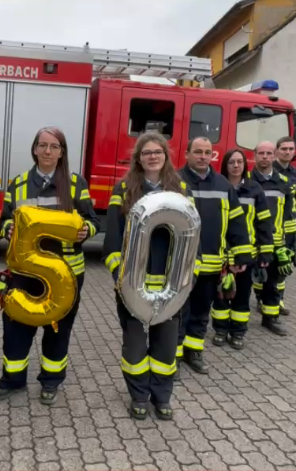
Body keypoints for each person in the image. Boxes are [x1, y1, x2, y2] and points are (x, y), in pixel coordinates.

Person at [0, 126, 100, 405]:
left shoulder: (76, 183)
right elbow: (3, 221)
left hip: (65, 275)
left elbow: (93, 221)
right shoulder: (18, 183)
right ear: (35, 149)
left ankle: (51, 381)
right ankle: (12, 380)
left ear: (62, 152)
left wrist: (86, 230)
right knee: (16, 326)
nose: (48, 151)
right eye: (42, 145)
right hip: (25, 272)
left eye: (54, 146)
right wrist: (8, 228)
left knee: (58, 329)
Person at [103, 131, 185, 420]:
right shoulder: (124, 189)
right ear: (138, 158)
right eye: (146, 152)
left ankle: (162, 397)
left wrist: (189, 276)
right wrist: (119, 276)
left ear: (165, 156)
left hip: (169, 283)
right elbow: (113, 237)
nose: (152, 157)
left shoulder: (179, 189)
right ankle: (138, 395)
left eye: (157, 152)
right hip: (133, 285)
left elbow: (192, 233)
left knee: (166, 346)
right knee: (135, 345)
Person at [177, 136, 253, 374]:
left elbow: (236, 221)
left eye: (207, 152)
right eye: (197, 151)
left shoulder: (223, 185)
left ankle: (194, 351)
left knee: (201, 313)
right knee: (177, 312)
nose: (203, 156)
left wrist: (241, 255)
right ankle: (173, 356)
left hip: (211, 266)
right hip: (181, 264)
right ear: (187, 154)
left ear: (212, 155)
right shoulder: (175, 181)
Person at [210, 149, 274, 350]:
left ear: (245, 165)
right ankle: (220, 330)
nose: (236, 166)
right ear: (225, 165)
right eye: (232, 162)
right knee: (221, 296)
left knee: (242, 297)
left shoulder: (255, 189)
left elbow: (264, 223)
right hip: (221, 255)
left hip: (246, 255)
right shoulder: (218, 187)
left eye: (239, 162)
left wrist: (265, 252)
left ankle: (238, 332)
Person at [249, 141, 296, 336]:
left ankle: (270, 318)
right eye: (261, 153)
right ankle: (233, 322)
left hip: (274, 243)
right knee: (242, 284)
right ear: (255, 155)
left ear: (274, 155)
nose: (265, 157)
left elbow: (289, 216)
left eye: (269, 153)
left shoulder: (284, 183)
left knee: (272, 284)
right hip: (249, 241)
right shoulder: (245, 181)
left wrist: (290, 245)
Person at [272, 136, 296, 316]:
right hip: (272, 226)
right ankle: (263, 298)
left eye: (291, 149)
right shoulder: (269, 171)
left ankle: (279, 299)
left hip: (289, 227)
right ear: (277, 151)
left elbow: (295, 200)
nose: (287, 152)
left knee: (285, 265)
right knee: (269, 264)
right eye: (284, 149)